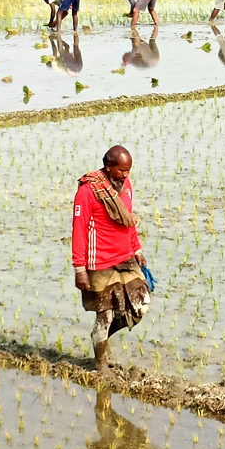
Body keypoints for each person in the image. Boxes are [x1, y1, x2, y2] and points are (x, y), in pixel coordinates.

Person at [71, 145, 150, 370]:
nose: (126, 175)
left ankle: (102, 338)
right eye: (121, 171)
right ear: (108, 167)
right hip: (99, 263)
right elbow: (79, 230)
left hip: (125, 257)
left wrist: (137, 249)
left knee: (140, 305)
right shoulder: (88, 192)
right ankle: (100, 363)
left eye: (128, 171)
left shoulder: (126, 187)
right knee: (104, 316)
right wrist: (79, 269)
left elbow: (128, 220)